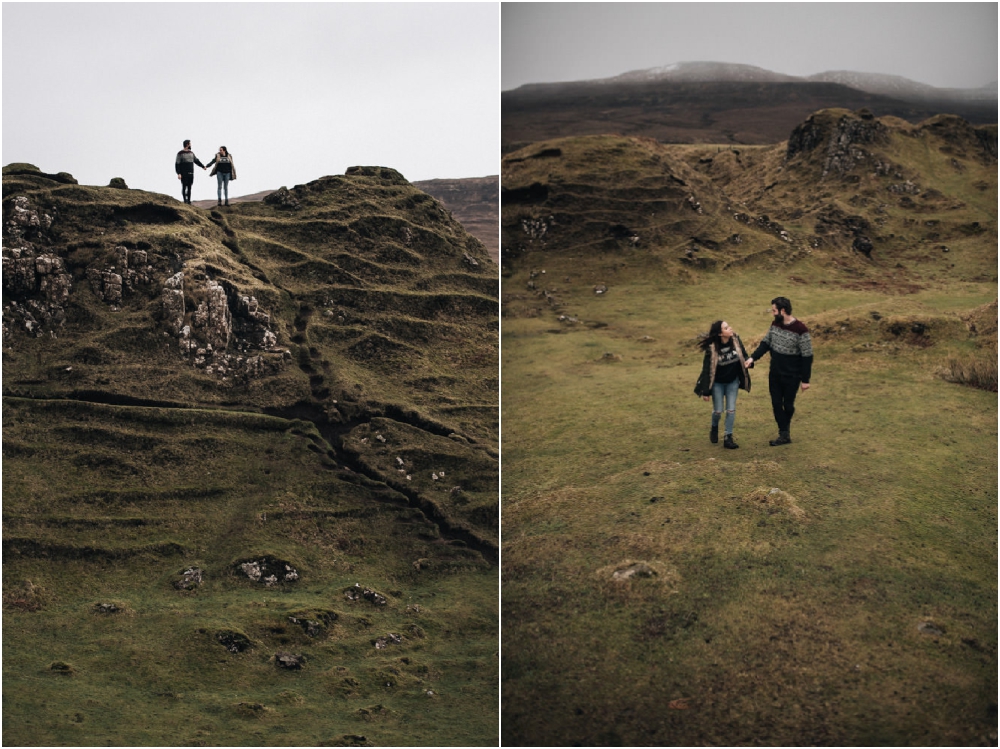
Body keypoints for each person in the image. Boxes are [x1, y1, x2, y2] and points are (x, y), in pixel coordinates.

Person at [746, 296, 813, 446]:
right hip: (775, 374)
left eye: (774, 310)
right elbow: (765, 343)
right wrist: (752, 358)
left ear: (783, 311)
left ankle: (784, 432)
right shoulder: (775, 325)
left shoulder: (801, 330)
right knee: (776, 404)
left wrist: (805, 380)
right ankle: (784, 434)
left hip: (792, 376)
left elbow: (807, 356)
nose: (772, 313)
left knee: (788, 405)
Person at [693, 320, 751, 449]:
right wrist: (706, 391)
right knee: (718, 411)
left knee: (731, 410)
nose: (730, 329)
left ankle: (728, 437)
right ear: (720, 333)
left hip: (732, 382)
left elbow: (744, 355)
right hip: (717, 384)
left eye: (729, 326)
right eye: (726, 328)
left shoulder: (736, 340)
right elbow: (707, 370)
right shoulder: (712, 348)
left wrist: (748, 362)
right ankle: (714, 428)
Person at [175, 139, 206, 204]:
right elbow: (177, 164)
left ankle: (188, 201)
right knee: (184, 186)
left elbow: (196, 161)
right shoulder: (180, 153)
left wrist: (203, 166)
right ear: (187, 144)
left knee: (189, 187)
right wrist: (179, 173)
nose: (191, 145)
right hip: (184, 173)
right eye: (190, 144)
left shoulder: (191, 153)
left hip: (191, 173)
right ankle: (185, 200)